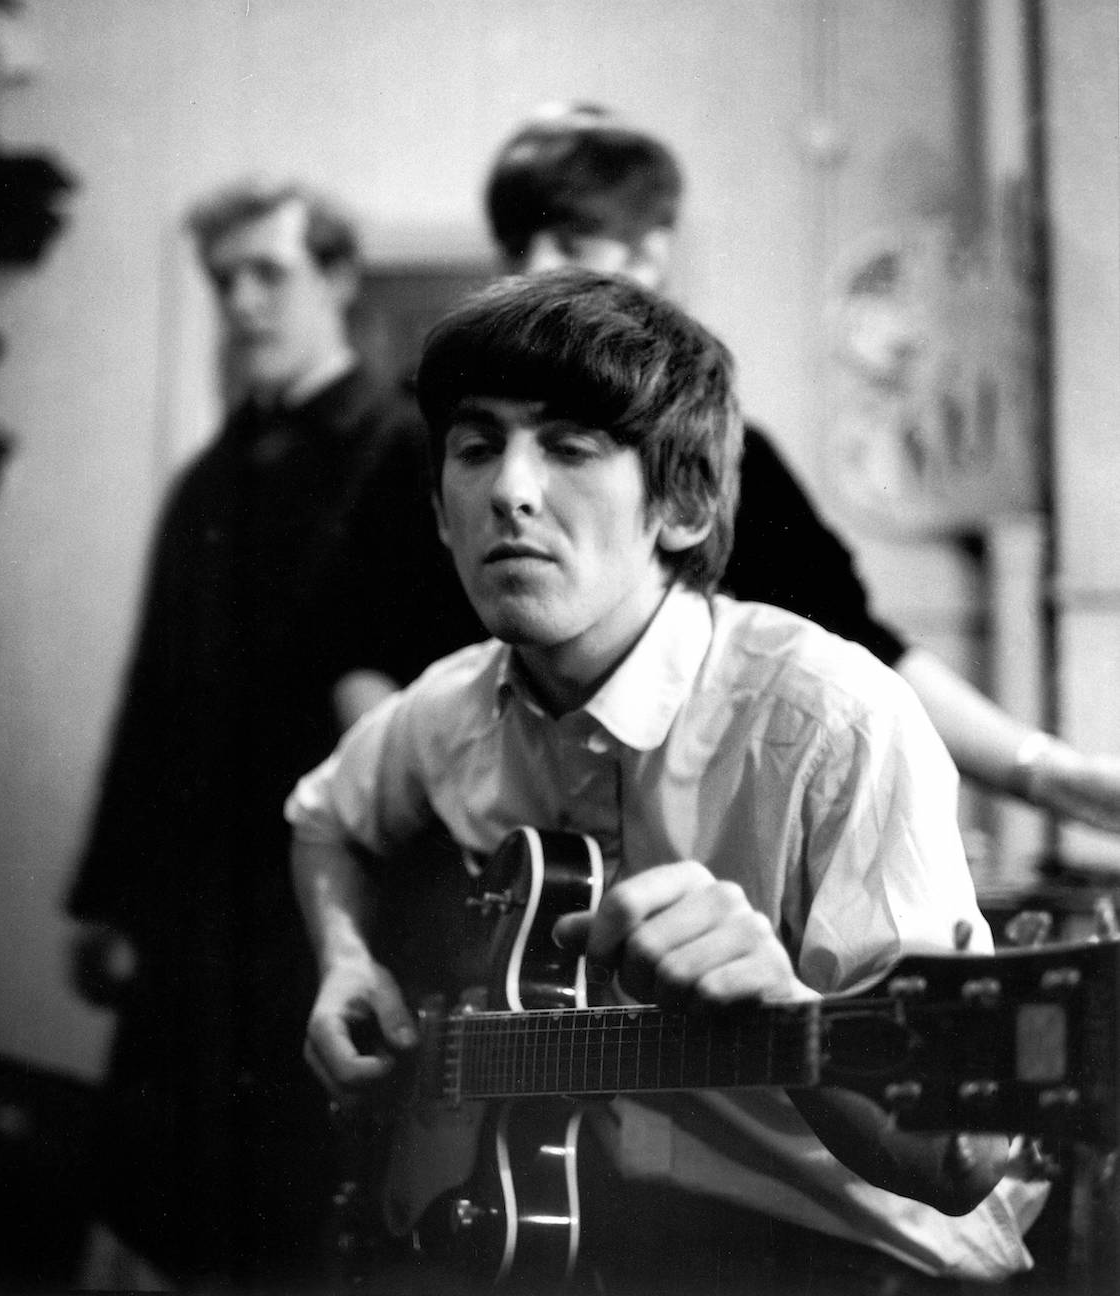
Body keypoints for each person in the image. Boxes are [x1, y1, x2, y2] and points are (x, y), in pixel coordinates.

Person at [287, 270, 1047, 1295]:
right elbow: (324, 820)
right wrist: (344, 961)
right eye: (476, 447)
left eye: (568, 445)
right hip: (577, 1232)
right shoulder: (450, 707)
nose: (509, 488)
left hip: (847, 1254)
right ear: (437, 510)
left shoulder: (831, 720)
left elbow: (960, 1164)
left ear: (682, 505)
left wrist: (784, 1013)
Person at [480, 102, 1120, 836]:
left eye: (568, 241)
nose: (532, 272)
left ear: (650, 257)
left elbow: (858, 648)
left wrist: (1046, 773)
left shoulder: (729, 460)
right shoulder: (433, 449)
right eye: (513, 244)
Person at [63, 179, 470, 1289]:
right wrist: (106, 897)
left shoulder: (403, 453)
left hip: (331, 896)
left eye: (270, 274)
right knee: (176, 1205)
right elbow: (151, 700)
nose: (243, 301)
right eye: (224, 279)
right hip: (192, 906)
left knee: (308, 1208)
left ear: (336, 279)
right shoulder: (209, 477)